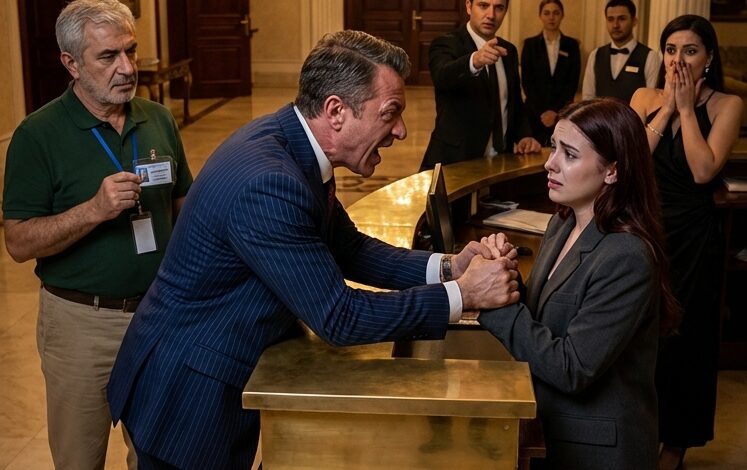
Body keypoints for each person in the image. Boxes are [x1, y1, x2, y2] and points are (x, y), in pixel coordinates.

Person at [107, 30, 521, 470]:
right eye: (390, 113)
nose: (401, 130)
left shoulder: (295, 144)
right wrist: (464, 295)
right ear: (336, 111)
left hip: (206, 370)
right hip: (185, 391)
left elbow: (350, 248)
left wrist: (450, 267)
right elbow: (339, 317)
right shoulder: (270, 182)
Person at [1, 0, 193, 468]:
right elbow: (18, 242)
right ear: (71, 63)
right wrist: (93, 210)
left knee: (156, 453)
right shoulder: (38, 135)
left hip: (157, 315)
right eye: (108, 56)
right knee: (80, 457)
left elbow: (182, 205)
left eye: (130, 51)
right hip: (82, 325)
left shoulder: (158, 119)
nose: (126, 68)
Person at [478, 98, 679, 469]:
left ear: (612, 171)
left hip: (598, 451)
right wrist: (502, 275)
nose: (550, 163)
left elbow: (573, 368)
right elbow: (543, 315)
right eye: (554, 147)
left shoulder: (627, 255)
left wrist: (493, 301)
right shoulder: (563, 222)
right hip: (552, 428)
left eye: (569, 154)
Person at [629, 15, 743, 470]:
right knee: (641, 337)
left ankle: (675, 446)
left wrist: (687, 110)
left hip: (694, 239)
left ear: (708, 58)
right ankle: (637, 434)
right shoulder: (643, 97)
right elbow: (632, 159)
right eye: (671, 50)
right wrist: (667, 108)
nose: (678, 60)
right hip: (644, 231)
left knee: (687, 342)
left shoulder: (727, 104)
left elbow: (702, 170)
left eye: (690, 51)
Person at [420, 0, 541, 172]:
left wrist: (524, 135)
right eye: (483, 6)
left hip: (501, 161)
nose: (491, 15)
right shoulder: (446, 43)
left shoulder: (509, 51)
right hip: (455, 161)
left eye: (499, 8)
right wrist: (474, 61)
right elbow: (442, 76)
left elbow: (514, 101)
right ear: (469, 7)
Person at [521, 0, 581, 146]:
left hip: (562, 115)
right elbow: (527, 82)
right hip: (534, 116)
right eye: (547, 13)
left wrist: (555, 112)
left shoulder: (572, 45)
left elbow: (572, 83)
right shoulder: (530, 45)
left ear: (562, 15)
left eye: (556, 13)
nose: (551, 17)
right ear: (540, 16)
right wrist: (542, 112)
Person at [581, 0, 661, 103]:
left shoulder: (650, 57)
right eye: (610, 19)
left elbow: (651, 101)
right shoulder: (595, 54)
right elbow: (587, 99)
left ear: (634, 21)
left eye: (622, 19)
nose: (615, 25)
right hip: (599, 114)